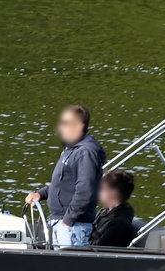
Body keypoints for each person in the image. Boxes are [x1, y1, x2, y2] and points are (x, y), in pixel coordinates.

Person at [25, 104, 105, 247]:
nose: (60, 127)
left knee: (70, 268)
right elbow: (63, 184)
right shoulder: (70, 150)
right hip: (61, 224)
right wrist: (40, 194)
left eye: (65, 123)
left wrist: (67, 221)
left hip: (73, 227)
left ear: (79, 126)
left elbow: (85, 191)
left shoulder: (85, 152)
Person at [91, 169, 138, 247]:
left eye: (102, 188)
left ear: (113, 192)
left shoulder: (118, 223)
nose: (98, 191)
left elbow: (99, 248)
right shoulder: (105, 212)